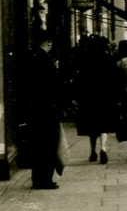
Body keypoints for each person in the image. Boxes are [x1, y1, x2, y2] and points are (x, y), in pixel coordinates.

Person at [72, 34, 119, 165]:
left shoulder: (83, 59)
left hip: (88, 97)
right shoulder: (109, 59)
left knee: (92, 125)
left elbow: (77, 79)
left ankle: (93, 150)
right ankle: (103, 148)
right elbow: (116, 78)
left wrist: (76, 96)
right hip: (106, 96)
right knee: (104, 124)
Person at [26, 34, 63, 190]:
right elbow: (53, 85)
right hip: (47, 108)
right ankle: (44, 178)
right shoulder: (46, 60)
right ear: (48, 42)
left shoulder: (31, 57)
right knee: (48, 143)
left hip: (36, 108)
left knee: (39, 143)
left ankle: (38, 177)